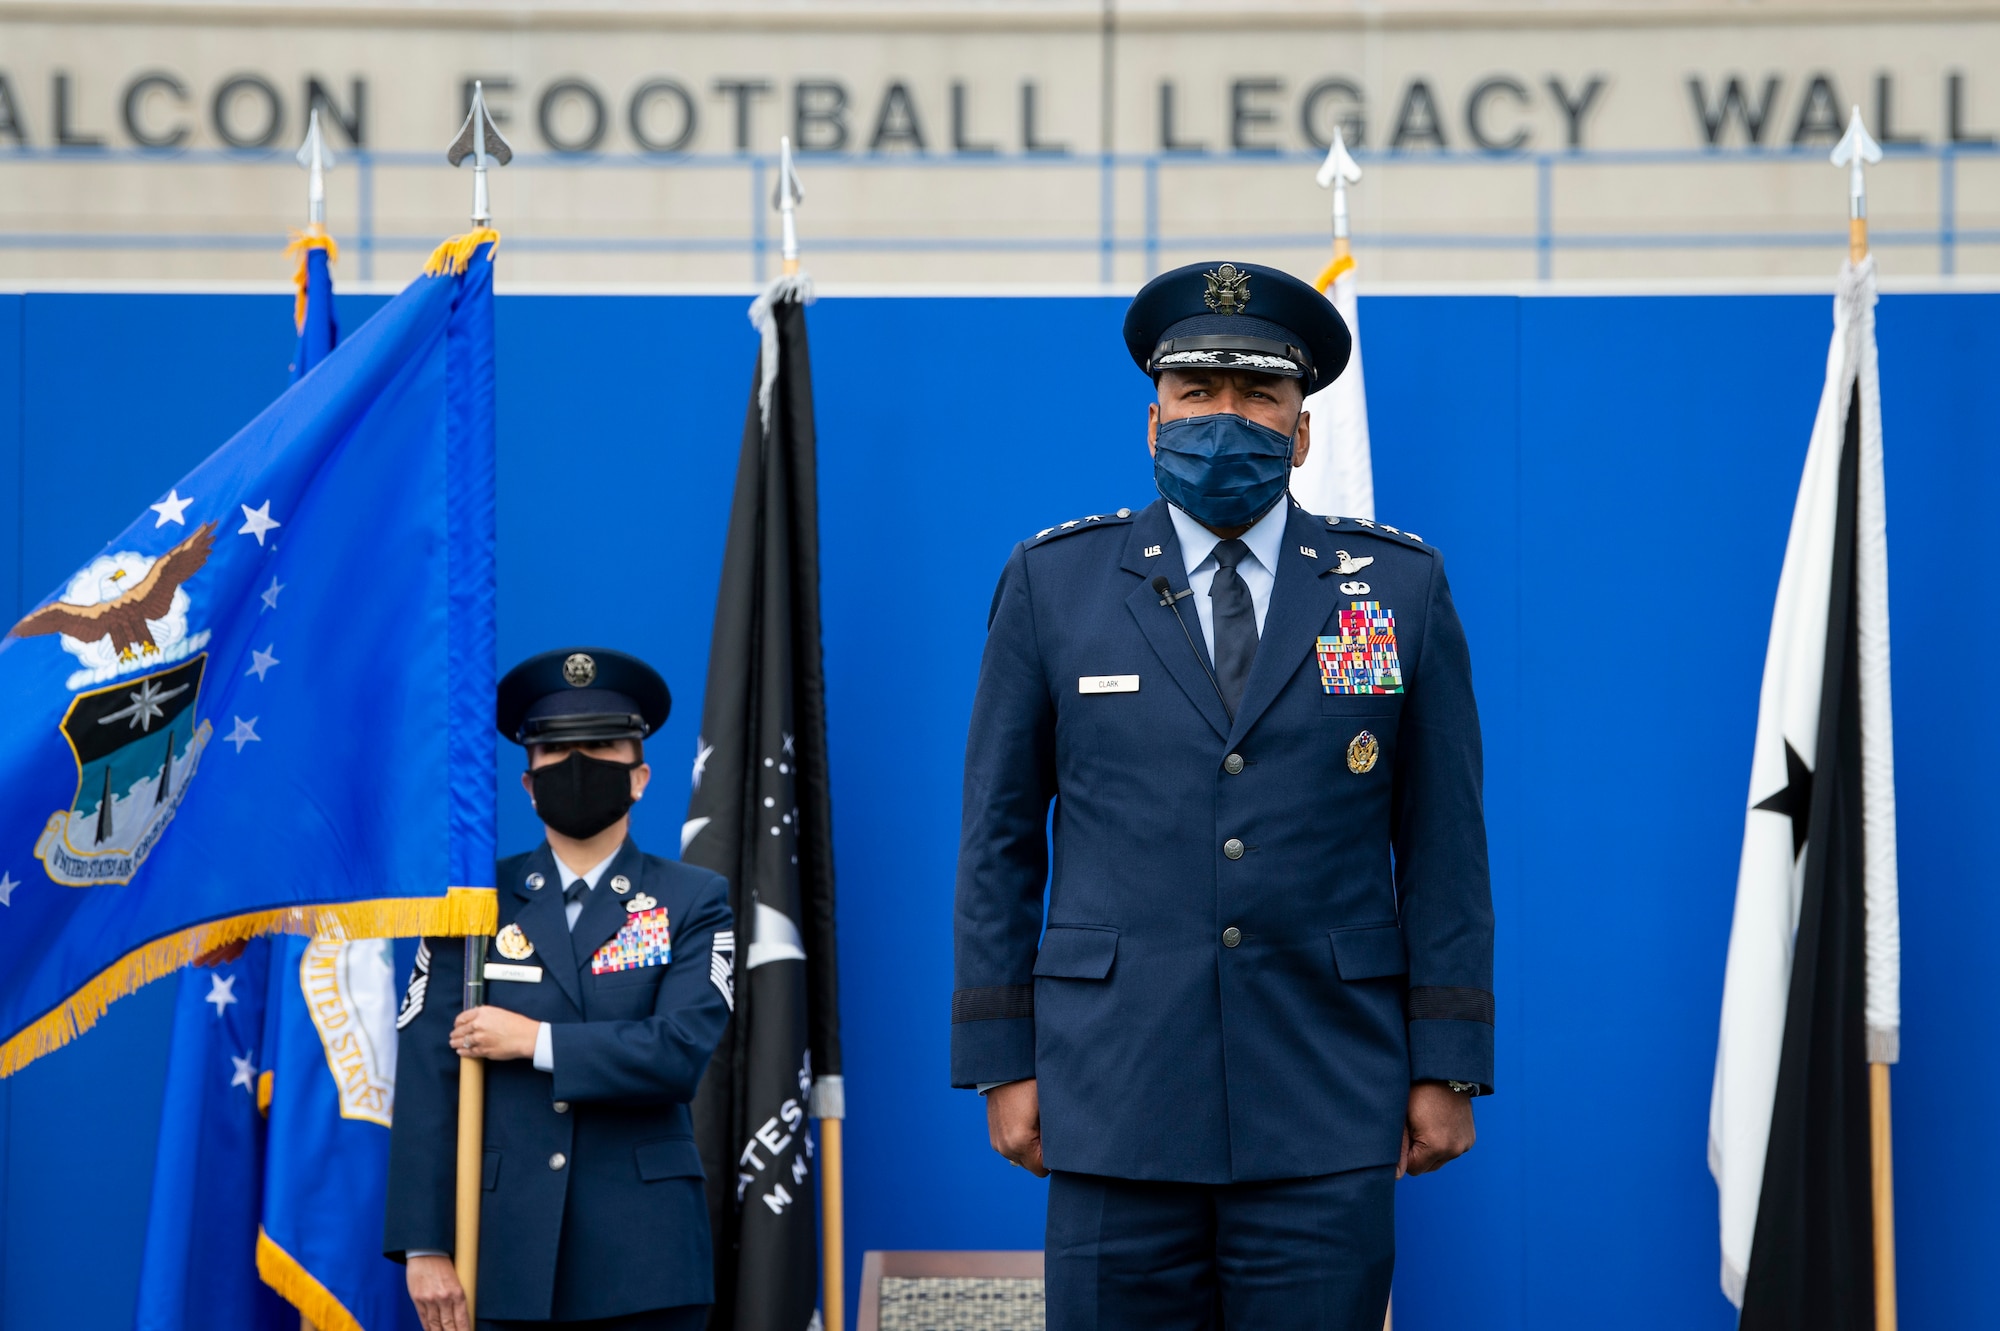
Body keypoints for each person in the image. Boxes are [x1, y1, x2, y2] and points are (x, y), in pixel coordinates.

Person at [950, 260, 1494, 1330]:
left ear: (1300, 431)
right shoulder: (1050, 583)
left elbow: (1442, 846)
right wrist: (998, 1061)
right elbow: (997, 841)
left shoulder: (1396, 589)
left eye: (1258, 396)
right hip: (1111, 1093)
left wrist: (1450, 1063)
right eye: (1197, 393)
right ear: (1152, 418)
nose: (1224, 418)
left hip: (1325, 1094)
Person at [387, 647, 735, 1331]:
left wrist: (534, 1039)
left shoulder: (692, 899)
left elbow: (678, 1049)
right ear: (528, 783)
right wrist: (424, 1244)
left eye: (602, 747)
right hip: (499, 1255)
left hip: (646, 1263)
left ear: (639, 777)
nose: (578, 766)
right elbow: (428, 1073)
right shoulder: (473, 903)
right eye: (555, 751)